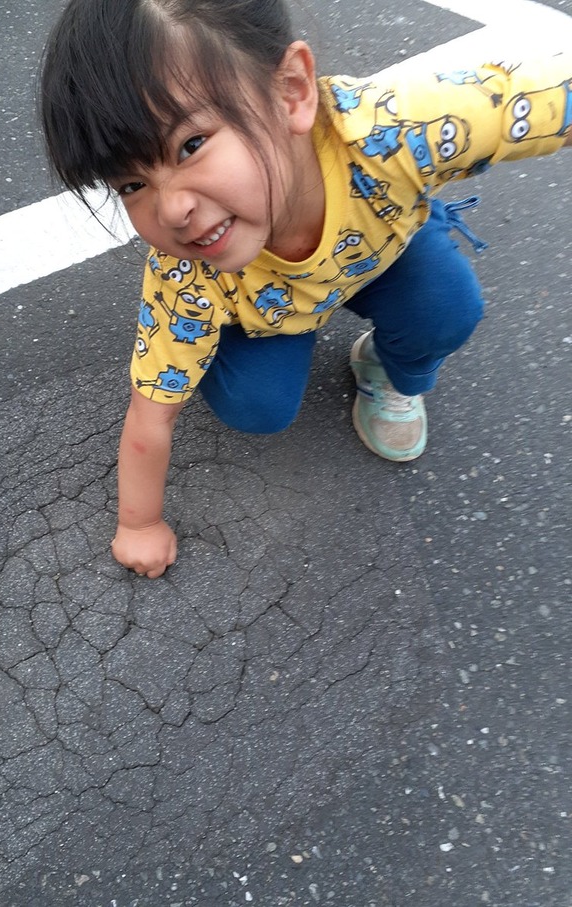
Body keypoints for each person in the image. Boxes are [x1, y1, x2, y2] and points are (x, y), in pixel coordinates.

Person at [40, 0, 572, 578]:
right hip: (269, 314)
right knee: (257, 405)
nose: (171, 210)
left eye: (190, 145)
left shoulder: (389, 131)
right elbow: (151, 414)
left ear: (291, 91)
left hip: (379, 252)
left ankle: (384, 367)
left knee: (447, 306)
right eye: (131, 184)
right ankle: (228, 340)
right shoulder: (185, 274)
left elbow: (534, 98)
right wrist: (139, 524)